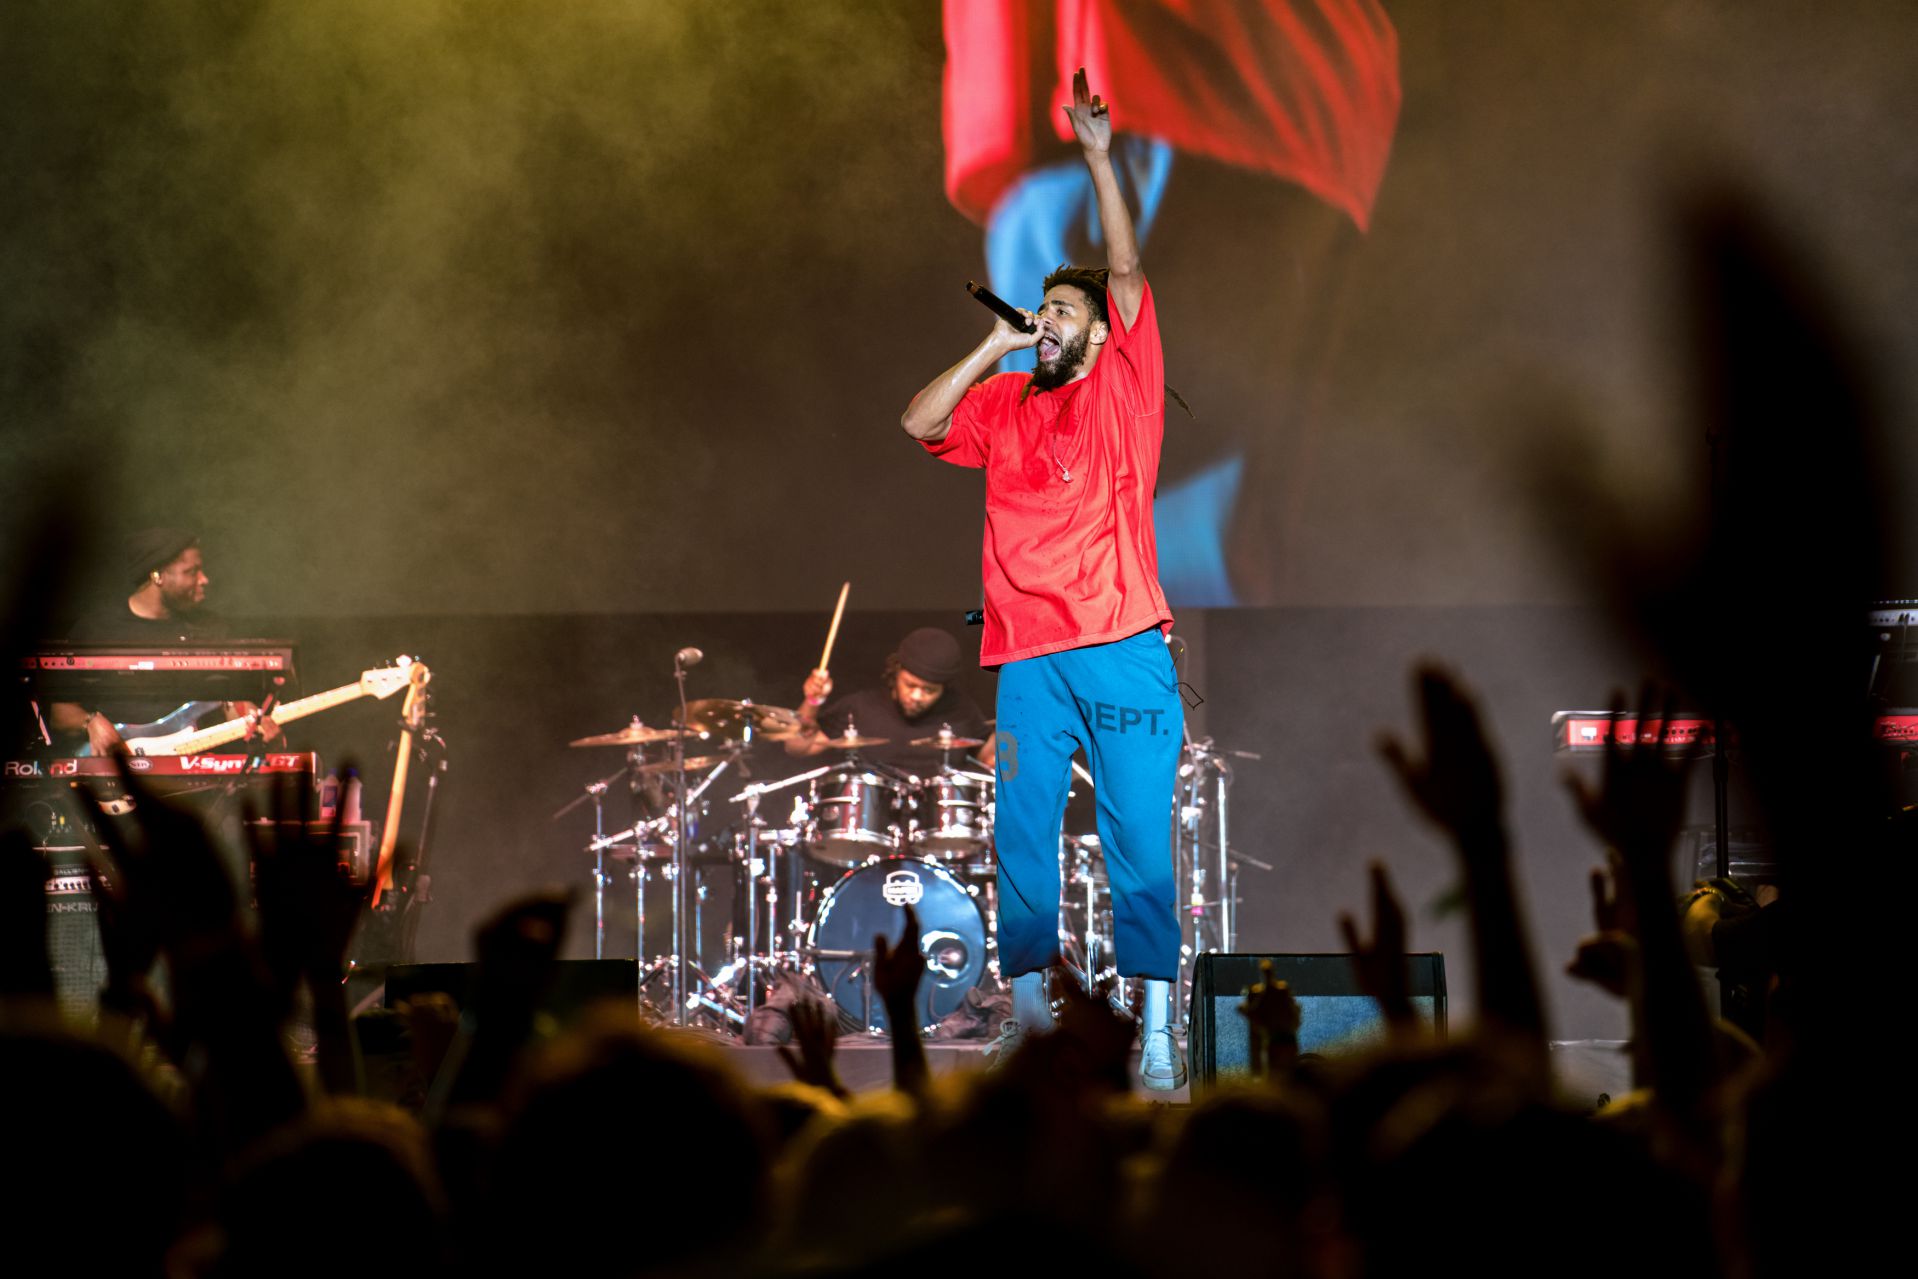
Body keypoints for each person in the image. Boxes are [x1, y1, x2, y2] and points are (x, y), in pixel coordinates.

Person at [901, 70, 1187, 1088]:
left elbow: (1122, 262)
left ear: (1104, 330)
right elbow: (920, 422)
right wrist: (993, 341)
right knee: (1020, 839)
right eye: (1046, 309)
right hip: (1026, 660)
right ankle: (1027, 1017)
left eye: (1069, 310)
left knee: (1136, 849)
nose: (1054, 317)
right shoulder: (1006, 401)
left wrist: (1099, 157)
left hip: (1121, 647)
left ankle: (1155, 1029)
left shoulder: (1124, 382)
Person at [47, 528, 279, 755]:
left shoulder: (210, 628)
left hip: (191, 770)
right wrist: (90, 723)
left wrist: (251, 719)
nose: (204, 579)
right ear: (157, 575)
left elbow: (229, 701)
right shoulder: (97, 628)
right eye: (192, 571)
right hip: (116, 774)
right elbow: (59, 711)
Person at [786, 626, 995, 776]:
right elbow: (797, 747)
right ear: (896, 672)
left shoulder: (961, 710)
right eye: (910, 685)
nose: (916, 696)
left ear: (944, 688)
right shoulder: (860, 707)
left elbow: (990, 758)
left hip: (937, 826)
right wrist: (813, 700)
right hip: (873, 826)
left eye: (928, 690)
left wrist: (1011, 723)